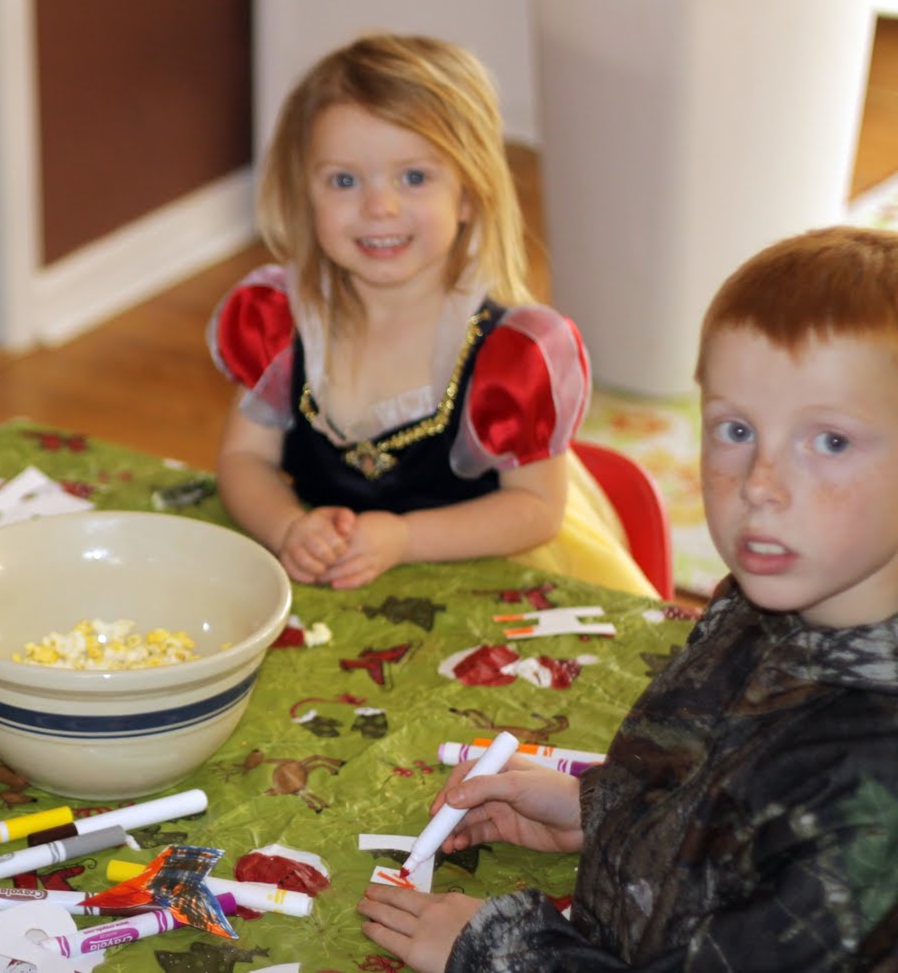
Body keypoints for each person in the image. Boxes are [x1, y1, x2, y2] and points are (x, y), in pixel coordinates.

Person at [357, 225, 898, 971]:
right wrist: (601, 813)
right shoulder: (761, 598)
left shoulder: (875, 796)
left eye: (830, 441)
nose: (760, 484)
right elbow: (711, 785)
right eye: (736, 428)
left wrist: (503, 953)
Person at [207, 33, 652, 596]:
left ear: (468, 194)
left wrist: (405, 538)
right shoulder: (279, 323)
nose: (379, 207)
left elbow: (536, 508)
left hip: (486, 582)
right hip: (332, 584)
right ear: (305, 194)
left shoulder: (514, 356)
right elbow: (244, 458)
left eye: (414, 177)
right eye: (344, 180)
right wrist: (288, 526)